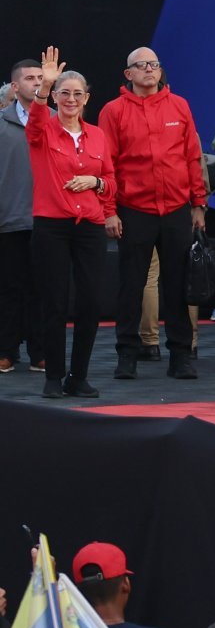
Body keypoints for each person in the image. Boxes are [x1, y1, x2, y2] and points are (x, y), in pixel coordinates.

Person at [98, 46, 205, 382]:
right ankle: (127, 355)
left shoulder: (179, 105)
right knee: (131, 286)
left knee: (178, 286)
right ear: (128, 74)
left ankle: (181, 356)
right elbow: (106, 165)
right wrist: (109, 211)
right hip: (134, 210)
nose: (149, 69)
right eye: (141, 65)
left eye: (154, 64)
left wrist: (198, 204)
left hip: (176, 208)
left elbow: (192, 157)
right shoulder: (113, 111)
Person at [25, 47, 114, 399]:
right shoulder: (43, 130)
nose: (71, 99)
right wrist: (44, 86)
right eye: (65, 93)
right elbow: (34, 121)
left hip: (89, 225)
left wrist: (96, 184)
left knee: (91, 301)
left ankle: (79, 375)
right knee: (54, 301)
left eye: (77, 94)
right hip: (52, 225)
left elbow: (111, 180)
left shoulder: (97, 136)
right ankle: (53, 376)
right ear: (56, 97)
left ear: (87, 97)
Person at [0, 57, 46, 375]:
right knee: (9, 288)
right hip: (9, 219)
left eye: (41, 77)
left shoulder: (57, 121)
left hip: (48, 220)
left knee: (44, 289)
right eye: (30, 78)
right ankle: (7, 351)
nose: (37, 82)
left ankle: (40, 352)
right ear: (16, 87)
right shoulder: (1, 123)